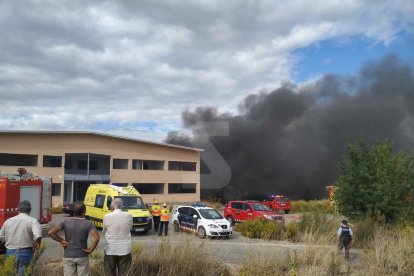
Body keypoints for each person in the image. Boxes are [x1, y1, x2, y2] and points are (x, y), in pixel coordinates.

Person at [48, 202, 100, 276]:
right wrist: (90, 249)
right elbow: (97, 238)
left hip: (68, 255)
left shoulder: (66, 222)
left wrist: (61, 240)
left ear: (74, 211)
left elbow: (50, 232)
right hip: (82, 255)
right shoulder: (88, 223)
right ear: (84, 211)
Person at [0, 200, 42, 276]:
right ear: (30, 209)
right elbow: (38, 235)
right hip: (25, 252)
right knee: (24, 273)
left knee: (10, 273)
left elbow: (1, 236)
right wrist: (38, 243)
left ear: (18, 209)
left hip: (10, 251)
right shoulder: (33, 221)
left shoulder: (8, 221)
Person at [102, 198, 133, 276]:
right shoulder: (129, 215)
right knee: (124, 272)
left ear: (112, 207)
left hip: (110, 248)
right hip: (125, 248)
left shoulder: (107, 216)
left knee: (109, 272)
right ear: (122, 206)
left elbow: (104, 230)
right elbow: (130, 228)